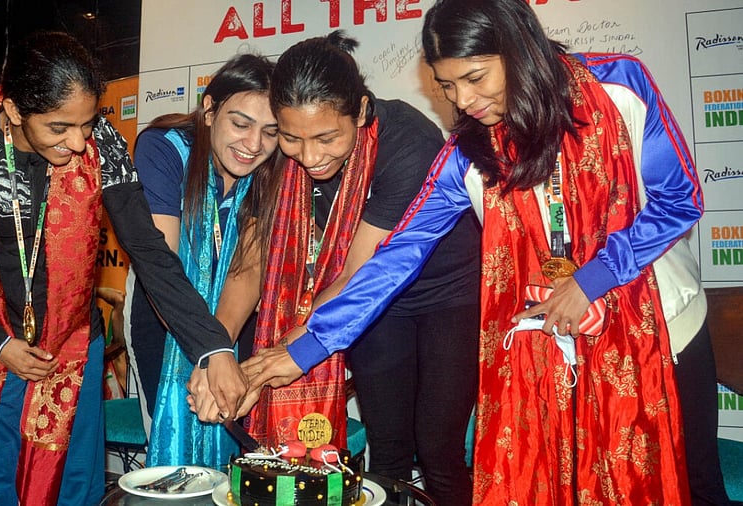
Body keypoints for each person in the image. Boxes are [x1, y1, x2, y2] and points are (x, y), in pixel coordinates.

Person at [241, 0, 731, 503]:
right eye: (448, 85)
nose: (464, 99)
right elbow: (401, 250)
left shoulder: (618, 86)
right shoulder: (467, 152)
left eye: (475, 77)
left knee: (691, 482)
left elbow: (680, 200)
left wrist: (592, 278)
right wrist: (309, 346)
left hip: (661, 329)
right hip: (546, 344)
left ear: (518, 48)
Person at [0, 30, 246, 505]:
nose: (79, 143)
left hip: (70, 353)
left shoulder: (102, 144)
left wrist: (212, 347)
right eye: (60, 127)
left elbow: (149, 251)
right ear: (16, 111)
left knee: (66, 489)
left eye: (86, 123)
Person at [209, 31, 481, 503]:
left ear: (359, 111)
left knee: (438, 447)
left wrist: (269, 363)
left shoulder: (407, 141)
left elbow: (363, 272)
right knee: (389, 445)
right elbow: (252, 260)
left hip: (445, 295)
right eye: (291, 137)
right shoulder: (279, 156)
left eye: (326, 137)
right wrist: (216, 348)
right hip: (376, 313)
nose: (309, 157)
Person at [126, 53, 279, 469]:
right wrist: (208, 352)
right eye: (241, 123)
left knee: (229, 433)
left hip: (234, 317)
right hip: (162, 312)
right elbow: (162, 264)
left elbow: (248, 268)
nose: (253, 145)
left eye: (270, 132)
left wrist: (221, 349)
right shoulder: (165, 148)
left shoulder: (273, 170)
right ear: (210, 110)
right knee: (169, 448)